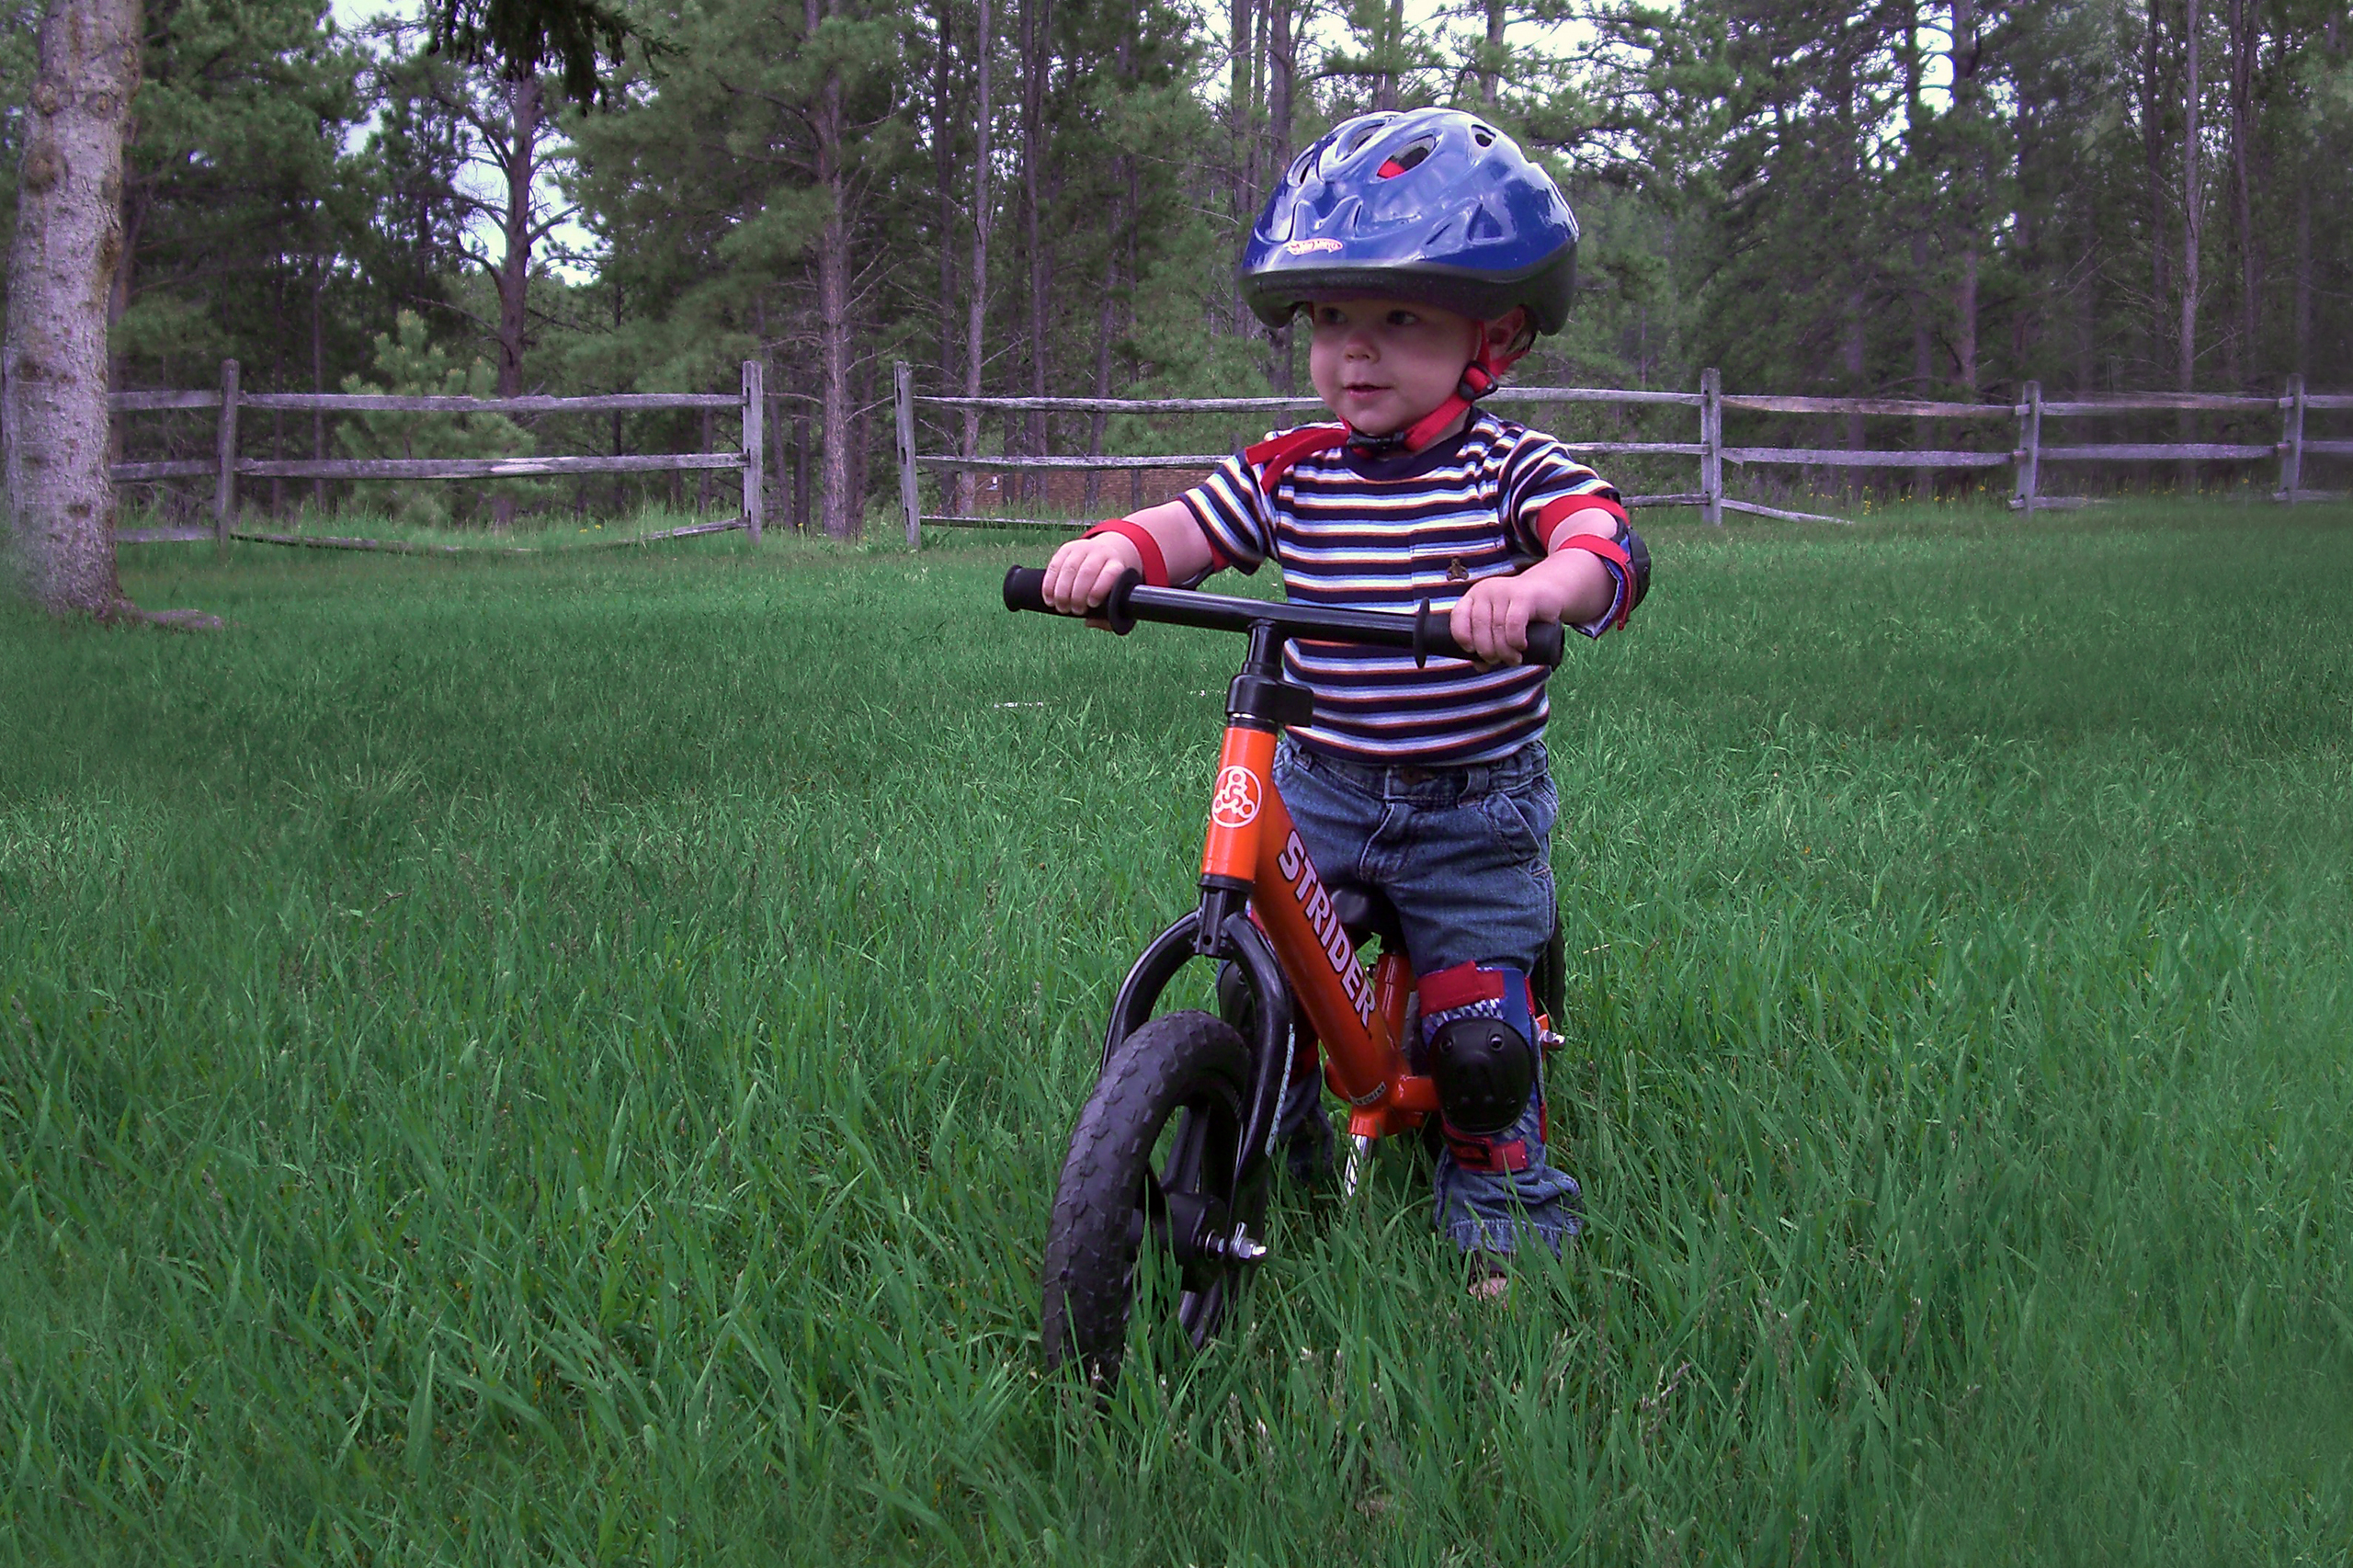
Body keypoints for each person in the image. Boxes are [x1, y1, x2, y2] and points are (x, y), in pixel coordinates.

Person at [1040, 107, 1650, 1292]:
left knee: (1477, 1046)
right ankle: (1278, 1137)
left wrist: (1537, 588)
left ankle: (1503, 1210)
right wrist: (1117, 551)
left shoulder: (1507, 466)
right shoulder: (1291, 467)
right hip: (1322, 781)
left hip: (1469, 806)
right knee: (1255, 983)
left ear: (1497, 337)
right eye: (1331, 320)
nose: (1354, 354)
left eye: (1399, 319)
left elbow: (1602, 539)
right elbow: (1191, 528)